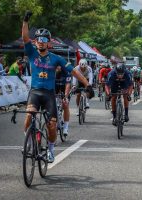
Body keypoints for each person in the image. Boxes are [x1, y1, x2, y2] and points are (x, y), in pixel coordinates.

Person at [22, 11, 94, 163]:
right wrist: (25, 21)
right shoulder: (32, 53)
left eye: (44, 39)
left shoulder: (56, 59)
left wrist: (87, 84)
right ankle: (28, 142)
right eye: (38, 39)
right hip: (35, 92)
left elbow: (73, 71)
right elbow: (25, 37)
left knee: (52, 125)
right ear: (36, 42)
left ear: (49, 43)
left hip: (49, 94)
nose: (40, 41)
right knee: (29, 115)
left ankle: (50, 149)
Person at [55, 66, 71, 137]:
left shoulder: (66, 72)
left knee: (65, 104)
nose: (57, 68)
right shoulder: (51, 71)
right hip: (55, 87)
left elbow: (68, 85)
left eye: (59, 66)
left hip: (64, 88)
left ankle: (66, 126)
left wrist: (65, 96)